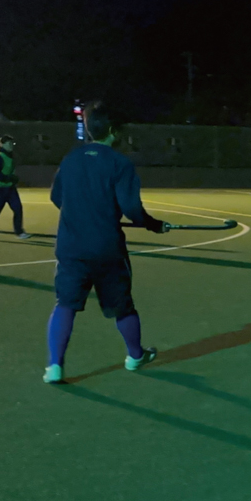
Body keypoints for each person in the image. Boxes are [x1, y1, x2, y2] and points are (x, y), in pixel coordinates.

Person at [43, 101, 168, 384]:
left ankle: (54, 367)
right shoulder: (119, 163)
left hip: (72, 247)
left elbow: (56, 198)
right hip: (107, 249)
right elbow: (132, 210)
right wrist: (153, 225)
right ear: (113, 130)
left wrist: (82, 212)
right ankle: (135, 356)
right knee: (122, 306)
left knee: (65, 304)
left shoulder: (71, 159)